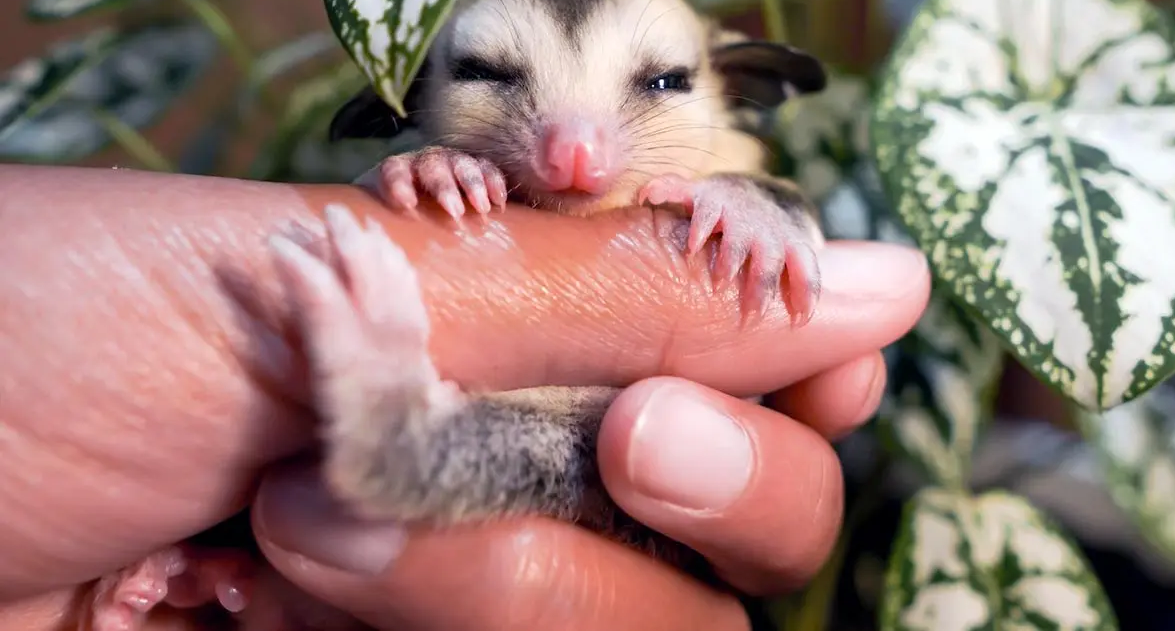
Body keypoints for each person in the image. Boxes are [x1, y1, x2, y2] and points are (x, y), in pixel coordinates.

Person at [0, 164, 931, 630]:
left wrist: (760, 212)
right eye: (496, 73)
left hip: (520, 460)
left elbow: (787, 226)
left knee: (610, 442)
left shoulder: (711, 183)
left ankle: (396, 452)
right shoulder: (455, 180)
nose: (574, 149)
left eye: (654, 86)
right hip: (343, 475)